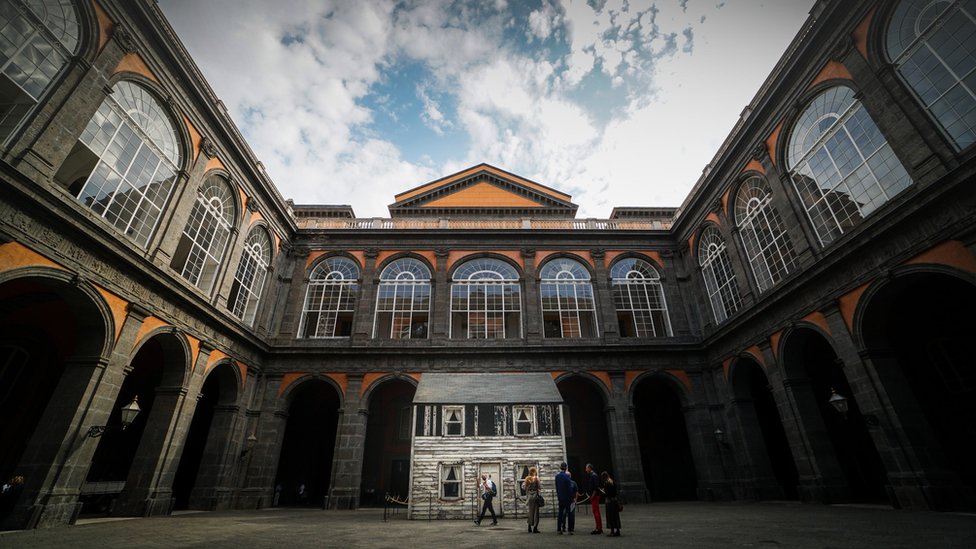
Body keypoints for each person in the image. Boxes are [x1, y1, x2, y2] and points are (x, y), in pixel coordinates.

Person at [554, 462, 577, 535]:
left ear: (560, 467)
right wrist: (572, 497)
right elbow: (569, 488)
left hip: (560, 497)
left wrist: (558, 496)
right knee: (569, 513)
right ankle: (570, 529)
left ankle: (559, 529)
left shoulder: (557, 476)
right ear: (566, 468)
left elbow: (557, 487)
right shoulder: (566, 477)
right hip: (567, 498)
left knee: (560, 513)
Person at [521, 467, 542, 533]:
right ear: (535, 472)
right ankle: (535, 528)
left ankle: (529, 526)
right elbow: (539, 487)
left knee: (530, 512)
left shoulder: (527, 479)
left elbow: (523, 487)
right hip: (535, 496)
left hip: (529, 496)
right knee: (536, 513)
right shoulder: (536, 478)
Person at [602, 471, 621, 537]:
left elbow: (608, 494)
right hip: (614, 501)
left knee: (610, 516)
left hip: (609, 501)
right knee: (615, 516)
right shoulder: (612, 481)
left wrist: (603, 491)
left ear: (604, 477)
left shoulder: (607, 483)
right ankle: (618, 530)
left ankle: (612, 531)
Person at [586, 463, 603, 534]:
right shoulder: (593, 475)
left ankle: (598, 528)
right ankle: (599, 527)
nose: (586, 470)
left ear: (590, 468)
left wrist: (592, 496)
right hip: (595, 496)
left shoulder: (594, 476)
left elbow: (596, 487)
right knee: (596, 511)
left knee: (595, 511)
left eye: (586, 468)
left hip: (595, 496)